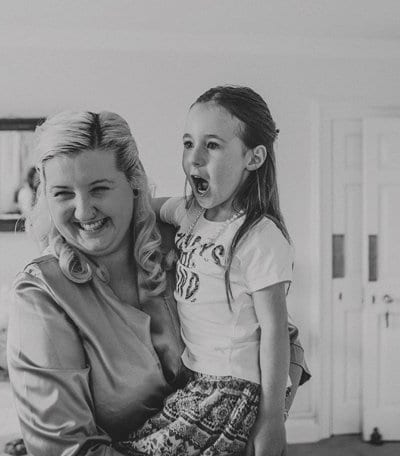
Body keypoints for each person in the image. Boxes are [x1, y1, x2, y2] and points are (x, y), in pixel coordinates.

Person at [7, 110, 309, 456]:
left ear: (133, 183)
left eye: (99, 189)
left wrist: (260, 423)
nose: (83, 211)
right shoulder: (42, 293)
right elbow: (66, 449)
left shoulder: (189, 240)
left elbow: (284, 337)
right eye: (62, 194)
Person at [121, 86, 294, 456]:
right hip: (192, 379)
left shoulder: (259, 236)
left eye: (212, 145)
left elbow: (276, 331)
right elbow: (138, 208)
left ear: (253, 157)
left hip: (231, 389)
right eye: (188, 143)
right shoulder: (190, 213)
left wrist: (272, 419)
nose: (193, 159)